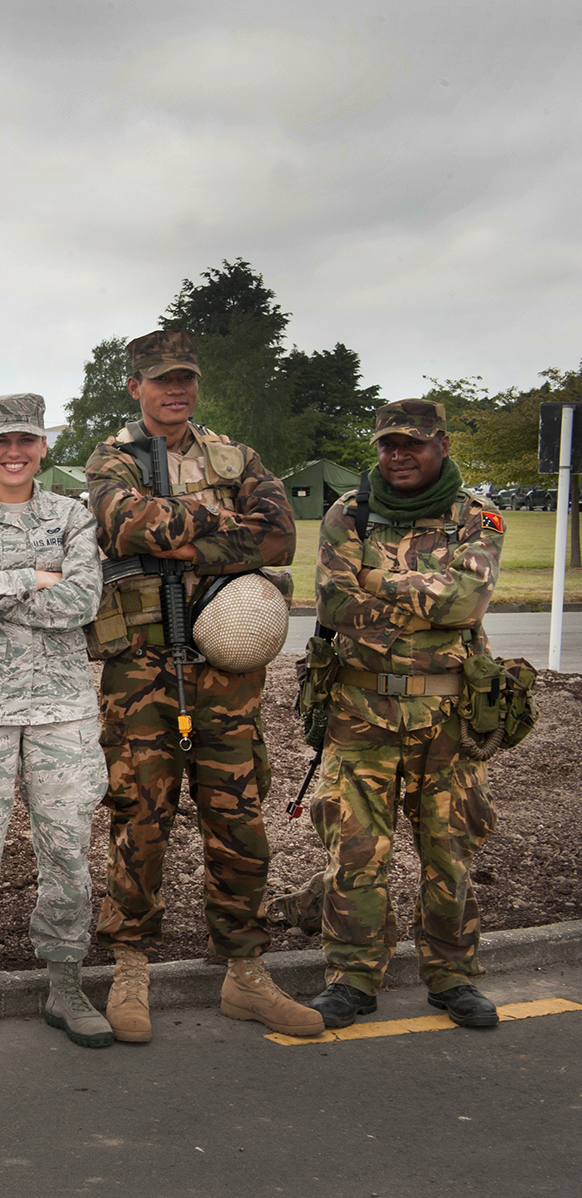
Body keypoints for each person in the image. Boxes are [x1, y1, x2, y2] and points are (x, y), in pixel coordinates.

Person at [85, 329, 322, 1041]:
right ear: (136, 387)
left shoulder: (236, 457)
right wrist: (222, 524)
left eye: (185, 377)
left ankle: (245, 973)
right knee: (139, 818)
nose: (175, 389)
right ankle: (130, 967)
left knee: (238, 819)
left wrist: (185, 543)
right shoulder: (114, 457)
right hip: (142, 669)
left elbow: (278, 537)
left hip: (228, 672)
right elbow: (126, 524)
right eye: (161, 379)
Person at [297, 400, 504, 1029]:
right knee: (355, 850)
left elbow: (467, 602)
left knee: (449, 850)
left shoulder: (476, 516)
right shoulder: (350, 513)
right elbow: (333, 605)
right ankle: (352, 977)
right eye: (389, 445)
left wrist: (376, 581)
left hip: (448, 714)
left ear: (442, 444)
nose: (399, 455)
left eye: (412, 444)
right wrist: (425, 600)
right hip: (360, 712)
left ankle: (452, 976)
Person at [0, 393, 111, 1050]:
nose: (13, 453)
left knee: (67, 850)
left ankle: (66, 984)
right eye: (1, 441)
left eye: (25, 441)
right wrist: (39, 575)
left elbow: (83, 601)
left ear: (42, 446)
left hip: (63, 710)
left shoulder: (72, 515)